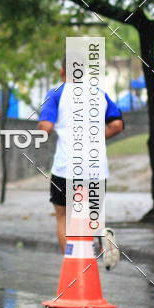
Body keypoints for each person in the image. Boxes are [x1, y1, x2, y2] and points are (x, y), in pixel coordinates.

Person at [38, 57, 124, 268]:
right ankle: (100, 238)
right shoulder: (99, 93)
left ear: (62, 72)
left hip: (66, 167)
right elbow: (117, 125)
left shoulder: (57, 93)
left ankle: (73, 268)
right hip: (97, 168)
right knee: (88, 213)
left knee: (64, 218)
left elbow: (45, 128)